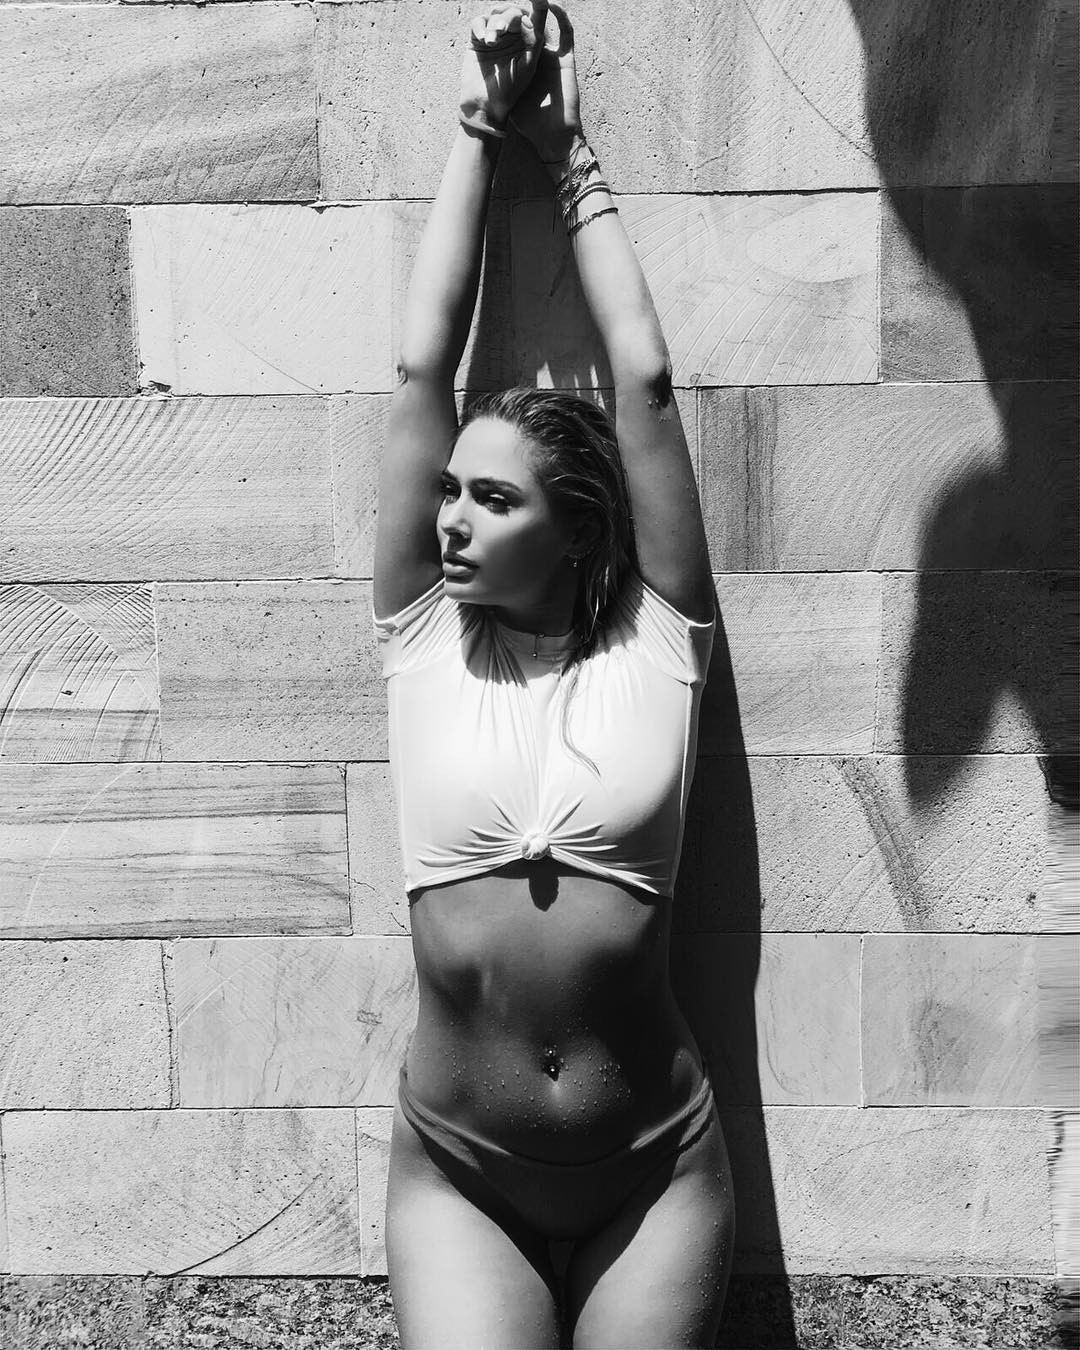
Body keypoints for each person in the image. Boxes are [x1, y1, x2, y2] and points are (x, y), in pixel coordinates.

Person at [372, 4, 735, 1346]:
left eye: (494, 498)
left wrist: (571, 161)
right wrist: (479, 128)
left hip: (655, 1171)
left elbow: (646, 382)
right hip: (461, 1170)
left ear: (575, 526)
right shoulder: (423, 634)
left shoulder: (659, 641)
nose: (451, 520)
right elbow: (422, 361)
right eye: (449, 491)